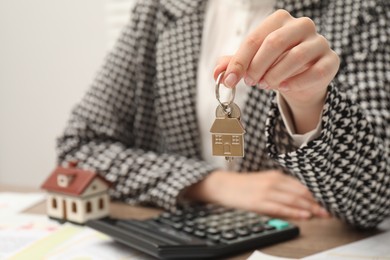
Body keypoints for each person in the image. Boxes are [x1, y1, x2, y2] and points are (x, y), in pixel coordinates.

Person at [56, 0, 390, 229]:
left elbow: (372, 201)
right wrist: (209, 183)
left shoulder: (362, 10)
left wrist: (309, 103)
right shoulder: (162, 7)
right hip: (178, 237)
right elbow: (79, 149)